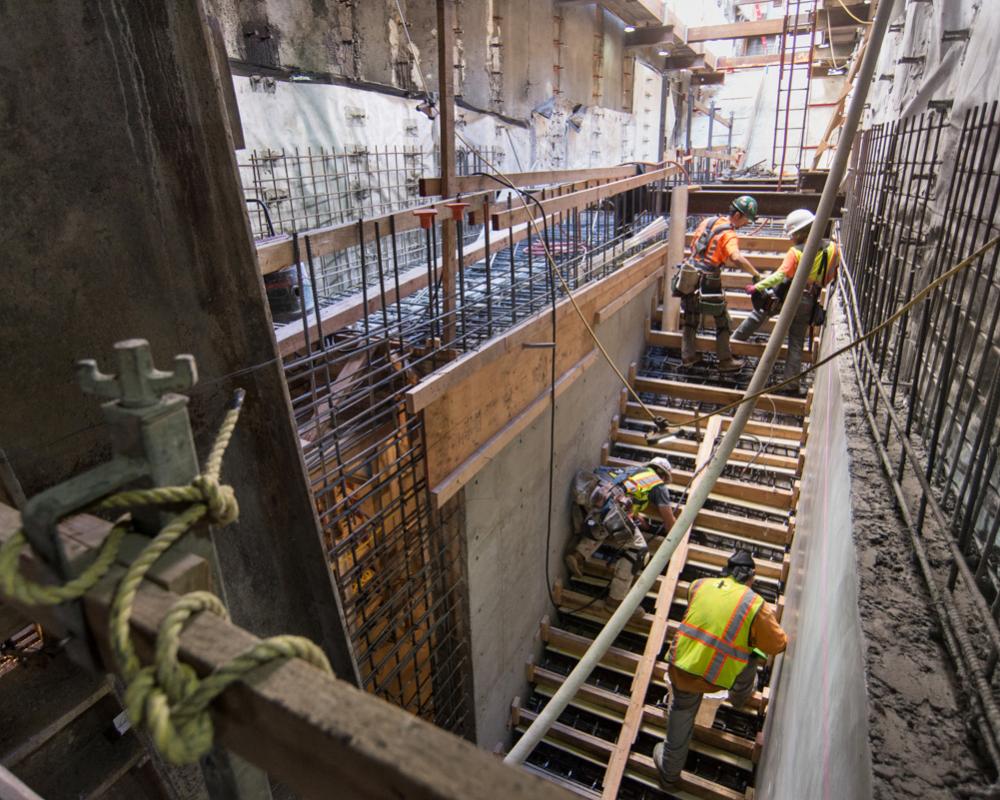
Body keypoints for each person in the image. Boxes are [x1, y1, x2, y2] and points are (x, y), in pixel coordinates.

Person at [652, 549, 787, 791]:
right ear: (751, 578)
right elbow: (778, 644)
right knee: (753, 653)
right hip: (717, 677)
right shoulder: (755, 604)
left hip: (682, 667)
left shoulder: (699, 584)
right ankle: (739, 698)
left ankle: (669, 775)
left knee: (682, 711)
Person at [732, 208, 840, 395]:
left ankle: (734, 343)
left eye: (792, 234)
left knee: (760, 314)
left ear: (799, 233)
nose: (791, 238)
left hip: (789, 296)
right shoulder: (832, 248)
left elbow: (781, 275)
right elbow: (830, 275)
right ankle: (791, 385)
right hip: (809, 299)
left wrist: (757, 287)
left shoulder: (795, 252)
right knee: (796, 340)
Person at [565, 458, 677, 619]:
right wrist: (676, 534)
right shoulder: (658, 484)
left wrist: (642, 523)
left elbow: (625, 495)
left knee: (612, 523)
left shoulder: (634, 471)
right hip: (610, 507)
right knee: (639, 550)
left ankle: (578, 555)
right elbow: (669, 521)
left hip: (594, 496)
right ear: (664, 476)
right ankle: (615, 600)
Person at [680, 195, 763, 372]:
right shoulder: (729, 235)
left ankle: (688, 357)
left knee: (690, 318)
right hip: (708, 280)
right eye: (747, 219)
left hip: (689, 274)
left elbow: (696, 245)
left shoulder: (708, 221)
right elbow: (736, 257)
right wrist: (755, 274)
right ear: (739, 215)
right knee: (723, 320)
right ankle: (725, 360)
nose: (747, 223)